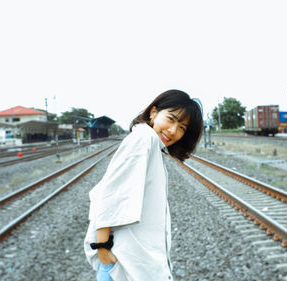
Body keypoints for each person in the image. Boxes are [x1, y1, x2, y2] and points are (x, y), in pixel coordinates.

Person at [84, 89, 203, 281]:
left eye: (182, 128)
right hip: (123, 267)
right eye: (171, 119)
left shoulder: (153, 145)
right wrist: (103, 249)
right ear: (153, 112)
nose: (173, 131)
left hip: (134, 265)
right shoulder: (144, 139)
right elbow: (109, 195)